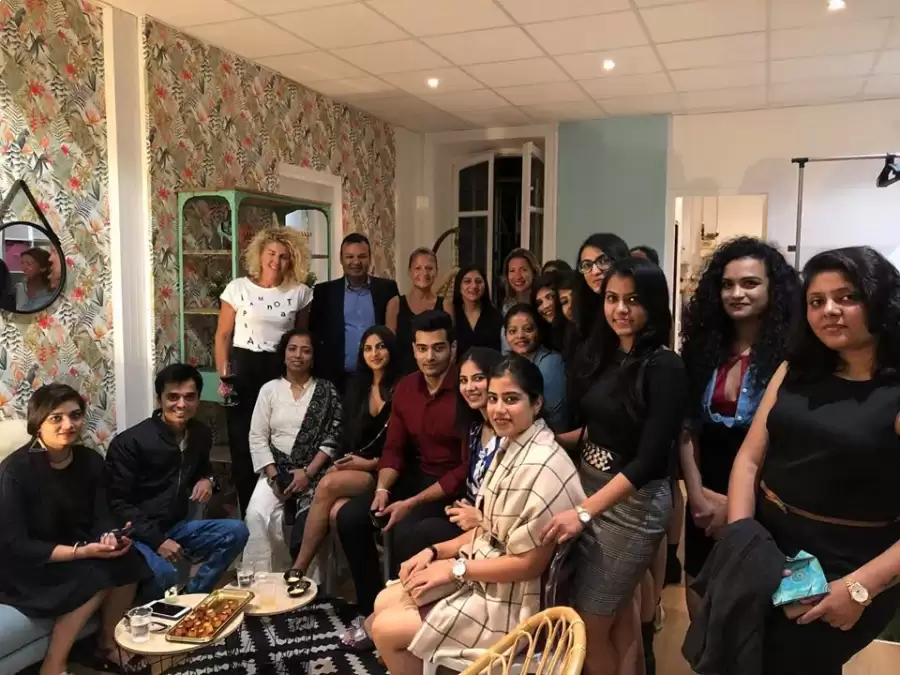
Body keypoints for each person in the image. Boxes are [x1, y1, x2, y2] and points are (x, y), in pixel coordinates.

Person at [727, 246, 900, 675]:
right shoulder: (795, 370)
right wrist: (741, 538)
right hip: (768, 544)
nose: (830, 311)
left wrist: (860, 587)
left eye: (847, 297)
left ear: (880, 300)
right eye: (817, 301)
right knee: (744, 658)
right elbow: (749, 458)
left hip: (850, 564)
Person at [368, 356, 586, 675]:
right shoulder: (512, 444)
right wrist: (435, 552)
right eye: (493, 398)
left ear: (537, 403)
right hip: (487, 577)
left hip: (519, 604)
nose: (498, 409)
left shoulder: (543, 466)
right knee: (383, 603)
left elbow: (530, 565)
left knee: (385, 629)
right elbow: (488, 528)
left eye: (511, 399)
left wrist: (455, 569)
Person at [546, 257, 688, 675]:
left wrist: (583, 512)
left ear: (653, 304)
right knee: (617, 615)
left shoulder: (664, 365)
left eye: (633, 300)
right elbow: (597, 430)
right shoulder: (606, 354)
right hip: (589, 489)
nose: (620, 309)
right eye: (612, 298)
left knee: (589, 623)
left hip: (632, 507)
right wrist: (545, 438)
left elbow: (648, 460)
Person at [679, 238, 798, 618]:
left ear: (773, 289)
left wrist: (737, 507)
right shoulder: (701, 349)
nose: (736, 293)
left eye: (750, 283)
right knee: (699, 605)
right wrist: (696, 496)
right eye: (727, 285)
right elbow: (687, 427)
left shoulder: (793, 356)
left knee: (750, 612)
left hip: (767, 499)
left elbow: (788, 442)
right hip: (703, 499)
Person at [338, 310, 466, 649]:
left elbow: (465, 467)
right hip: (413, 477)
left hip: (452, 488)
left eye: (438, 348)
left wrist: (411, 503)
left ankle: (400, 623)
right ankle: (372, 608)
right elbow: (394, 448)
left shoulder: (466, 387)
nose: (429, 357)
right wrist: (383, 488)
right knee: (350, 517)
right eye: (422, 349)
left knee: (405, 530)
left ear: (453, 348)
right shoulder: (407, 387)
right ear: (413, 350)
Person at [0, 384, 149, 675]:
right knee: (96, 572)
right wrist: (81, 552)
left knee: (129, 559)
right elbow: (15, 544)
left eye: (75, 415)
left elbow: (102, 514)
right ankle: (53, 665)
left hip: (75, 551)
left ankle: (107, 643)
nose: (68, 424)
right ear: (38, 423)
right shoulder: (16, 471)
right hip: (27, 566)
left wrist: (110, 537)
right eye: (56, 418)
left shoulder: (89, 460)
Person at [106, 364, 249, 596]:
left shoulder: (200, 434)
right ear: (159, 399)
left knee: (237, 531)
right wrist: (157, 541)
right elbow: (118, 504)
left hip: (176, 525)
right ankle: (152, 609)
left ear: (198, 399)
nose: (181, 404)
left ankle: (192, 595)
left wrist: (208, 479)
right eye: (173, 397)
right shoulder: (131, 442)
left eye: (189, 397)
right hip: (138, 533)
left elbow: (205, 469)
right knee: (166, 574)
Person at [287, 325, 400, 578]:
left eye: (380, 347)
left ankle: (299, 568)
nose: (374, 354)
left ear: (391, 349)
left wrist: (371, 463)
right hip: (356, 466)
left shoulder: (402, 388)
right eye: (368, 348)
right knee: (336, 511)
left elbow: (403, 446)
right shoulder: (357, 387)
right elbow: (346, 436)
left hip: (386, 472)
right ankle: (339, 582)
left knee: (328, 484)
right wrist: (344, 461)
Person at [215, 226, 313, 516]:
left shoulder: (300, 293)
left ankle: (284, 508)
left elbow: (301, 340)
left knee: (281, 439)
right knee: (243, 442)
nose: (276, 261)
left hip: (279, 370)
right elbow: (223, 335)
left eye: (283, 256)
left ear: (292, 260)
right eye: (271, 253)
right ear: (260, 254)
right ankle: (249, 512)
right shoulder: (237, 288)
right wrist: (224, 375)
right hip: (242, 370)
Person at [244, 329, 343, 573]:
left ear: (313, 356)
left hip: (316, 473)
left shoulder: (326, 391)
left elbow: (333, 436)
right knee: (257, 514)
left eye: (305, 350)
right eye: (292, 349)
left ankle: (307, 581)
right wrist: (276, 476)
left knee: (310, 522)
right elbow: (257, 436)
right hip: (276, 471)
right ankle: (268, 576)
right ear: (284, 353)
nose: (298, 355)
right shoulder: (269, 390)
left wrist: (307, 473)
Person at [309, 232, 399, 392]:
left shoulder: (387, 289)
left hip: (377, 377)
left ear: (370, 258)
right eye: (349, 257)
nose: (356, 262)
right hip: (337, 380)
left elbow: (393, 333)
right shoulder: (324, 292)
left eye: (362, 256)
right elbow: (314, 334)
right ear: (341, 259)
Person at [504, 303, 568, 432]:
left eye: (528, 329)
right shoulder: (509, 363)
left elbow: (554, 418)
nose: (520, 336)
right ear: (505, 335)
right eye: (513, 331)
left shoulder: (551, 362)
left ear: (539, 331)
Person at [387, 248, 444, 374]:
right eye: (418, 268)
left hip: (436, 376)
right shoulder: (395, 304)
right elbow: (389, 347)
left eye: (429, 268)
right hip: (402, 377)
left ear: (437, 271)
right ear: (410, 272)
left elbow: (450, 347)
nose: (424, 273)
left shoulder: (446, 305)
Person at [444, 264, 502, 357]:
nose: (474, 286)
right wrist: (450, 275)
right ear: (459, 285)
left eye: (478, 281)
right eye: (467, 281)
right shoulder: (451, 313)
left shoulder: (496, 316)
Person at [499, 248, 541, 353]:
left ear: (533, 273)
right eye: (512, 271)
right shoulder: (507, 306)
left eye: (523, 270)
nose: (517, 276)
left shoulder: (542, 304)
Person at [15, 246, 55, 311]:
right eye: (22, 263)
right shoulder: (18, 288)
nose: (24, 268)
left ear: (43, 268)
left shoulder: (52, 291)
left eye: (28, 264)